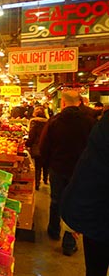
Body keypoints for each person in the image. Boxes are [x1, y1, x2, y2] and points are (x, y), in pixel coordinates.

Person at [39, 89, 96, 255]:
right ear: (79, 102)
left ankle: (53, 230)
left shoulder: (54, 121)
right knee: (75, 202)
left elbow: (43, 147)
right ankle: (69, 242)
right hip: (80, 171)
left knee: (56, 200)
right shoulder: (90, 122)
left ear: (62, 103)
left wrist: (49, 164)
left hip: (57, 168)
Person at [61, 109, 109, 276]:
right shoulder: (92, 123)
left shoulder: (102, 128)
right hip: (96, 212)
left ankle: (64, 239)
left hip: (94, 215)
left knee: (95, 269)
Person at [25, 105, 48, 190]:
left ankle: (37, 183)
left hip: (36, 145)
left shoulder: (33, 121)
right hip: (46, 146)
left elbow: (32, 134)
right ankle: (45, 179)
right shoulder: (48, 121)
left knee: (37, 165)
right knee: (45, 164)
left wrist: (28, 144)